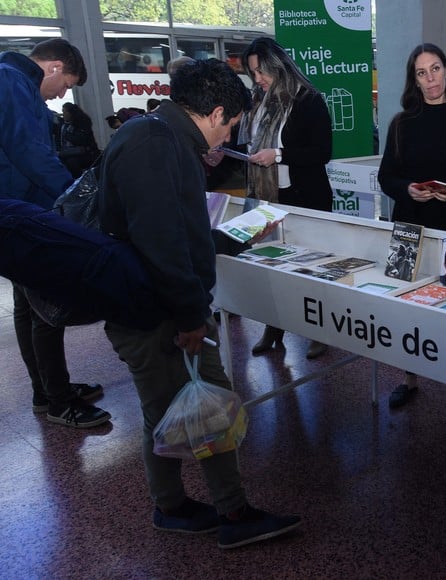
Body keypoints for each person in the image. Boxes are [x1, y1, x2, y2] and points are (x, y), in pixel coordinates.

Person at [98, 58, 300, 549]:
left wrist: (227, 241)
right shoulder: (156, 147)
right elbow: (163, 244)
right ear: (214, 113)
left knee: (165, 409)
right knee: (210, 407)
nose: (227, 135)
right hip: (160, 314)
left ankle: (172, 506)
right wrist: (192, 317)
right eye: (231, 124)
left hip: (149, 306)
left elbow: (179, 230)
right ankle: (231, 514)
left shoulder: (155, 135)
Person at [0, 38, 110, 428]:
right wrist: (77, 196)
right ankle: (59, 400)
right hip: (21, 212)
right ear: (55, 68)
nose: (61, 94)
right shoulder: (12, 81)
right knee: (45, 308)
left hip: (14, 211)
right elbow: (31, 153)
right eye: (65, 85)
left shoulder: (11, 79)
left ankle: (46, 390)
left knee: (28, 306)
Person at [377, 43, 446, 408]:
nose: (430, 79)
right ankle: (409, 375)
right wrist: (408, 190)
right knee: (406, 306)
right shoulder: (402, 123)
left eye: (435, 69)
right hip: (409, 225)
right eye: (421, 73)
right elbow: (387, 177)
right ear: (413, 79)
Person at [239, 37, 334, 359]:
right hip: (267, 200)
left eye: (260, 71)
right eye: (252, 73)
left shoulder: (308, 100)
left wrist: (278, 155)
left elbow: (322, 152)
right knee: (271, 267)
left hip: (305, 198)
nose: (257, 79)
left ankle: (319, 330)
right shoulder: (258, 102)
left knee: (312, 269)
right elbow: (250, 145)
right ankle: (274, 325)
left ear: (276, 64)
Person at [58, 102, 100, 178]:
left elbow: (79, 140)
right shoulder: (64, 125)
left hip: (87, 153)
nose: (63, 114)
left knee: (71, 162)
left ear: (71, 113)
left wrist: (66, 134)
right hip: (72, 153)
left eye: (65, 112)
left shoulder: (83, 123)